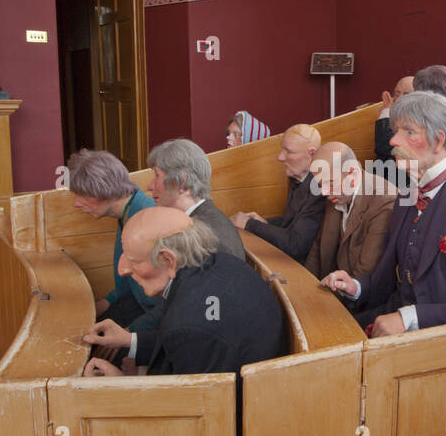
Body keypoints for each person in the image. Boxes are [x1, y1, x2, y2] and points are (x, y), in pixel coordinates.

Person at [321, 91, 446, 336]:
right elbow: (387, 278)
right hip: (392, 320)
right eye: (396, 130)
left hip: (443, 340)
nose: (393, 141)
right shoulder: (407, 194)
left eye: (409, 132)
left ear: (439, 140)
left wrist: (408, 318)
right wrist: (356, 286)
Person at [82, 208, 285, 376]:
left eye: (134, 260)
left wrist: (122, 383)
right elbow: (184, 340)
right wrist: (130, 340)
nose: (122, 270)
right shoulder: (218, 263)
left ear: (168, 260)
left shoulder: (189, 325)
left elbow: (182, 410)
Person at [67, 148, 156, 327]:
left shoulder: (146, 221)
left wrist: (130, 338)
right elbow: (130, 284)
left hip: (151, 322)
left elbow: (166, 303)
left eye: (83, 195)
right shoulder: (129, 210)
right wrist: (106, 302)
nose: (76, 203)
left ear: (105, 194)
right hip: (134, 309)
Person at [231, 123, 325, 261]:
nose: (280, 157)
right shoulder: (298, 177)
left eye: (289, 152)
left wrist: (249, 224)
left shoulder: (321, 188)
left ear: (311, 154)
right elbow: (294, 220)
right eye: (282, 150)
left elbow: (295, 245)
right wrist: (266, 223)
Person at [303, 142, 396, 279]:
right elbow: (317, 250)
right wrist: (306, 286)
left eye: (330, 182)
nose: (324, 192)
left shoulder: (384, 200)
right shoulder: (337, 194)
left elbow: (365, 273)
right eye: (321, 184)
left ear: (352, 172)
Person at [145, 137, 246, 260]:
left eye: (157, 175)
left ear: (182, 182)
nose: (150, 186)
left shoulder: (205, 238)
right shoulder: (200, 221)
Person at [373, 74, 414, 184]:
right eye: (397, 93)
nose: (399, 98)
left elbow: (386, 147)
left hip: (403, 185)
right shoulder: (395, 116)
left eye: (406, 94)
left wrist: (385, 113)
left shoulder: (420, 121)